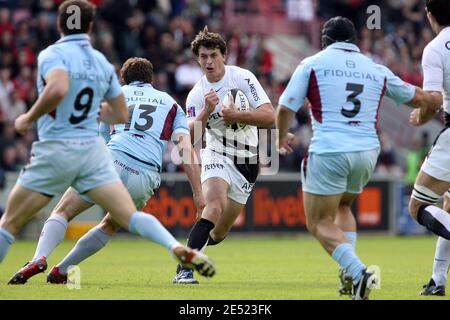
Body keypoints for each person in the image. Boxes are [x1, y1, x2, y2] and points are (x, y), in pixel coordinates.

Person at [0, 0, 215, 282]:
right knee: (111, 224)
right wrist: (198, 193)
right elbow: (186, 149)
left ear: (123, 79)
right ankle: (62, 270)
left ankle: (40, 257)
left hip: (111, 160)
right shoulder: (169, 103)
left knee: (62, 210)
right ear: (151, 80)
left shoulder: (116, 93)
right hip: (147, 173)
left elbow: (99, 138)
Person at [276, 16, 441, 300]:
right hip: (367, 152)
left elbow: (285, 106)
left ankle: (358, 271)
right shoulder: (374, 67)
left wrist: (279, 136)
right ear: (354, 40)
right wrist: (430, 105)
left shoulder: (313, 64)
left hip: (330, 149)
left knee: (318, 222)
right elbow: (416, 96)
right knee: (343, 206)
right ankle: (349, 276)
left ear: (325, 40)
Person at [173, 26, 275, 284]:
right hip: (216, 153)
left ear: (224, 56)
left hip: (247, 161)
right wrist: (206, 112)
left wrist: (237, 116)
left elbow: (269, 116)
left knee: (219, 232)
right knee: (213, 205)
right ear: (197, 59)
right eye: (203, 56)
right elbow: (191, 137)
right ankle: (184, 270)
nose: (208, 61)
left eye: (213, 55)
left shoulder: (243, 78)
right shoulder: (196, 94)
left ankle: (203, 241)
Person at [406, 0, 450, 297]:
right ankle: (437, 280)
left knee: (418, 207)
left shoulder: (436, 48)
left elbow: (433, 100)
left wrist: (419, 116)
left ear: (431, 16)